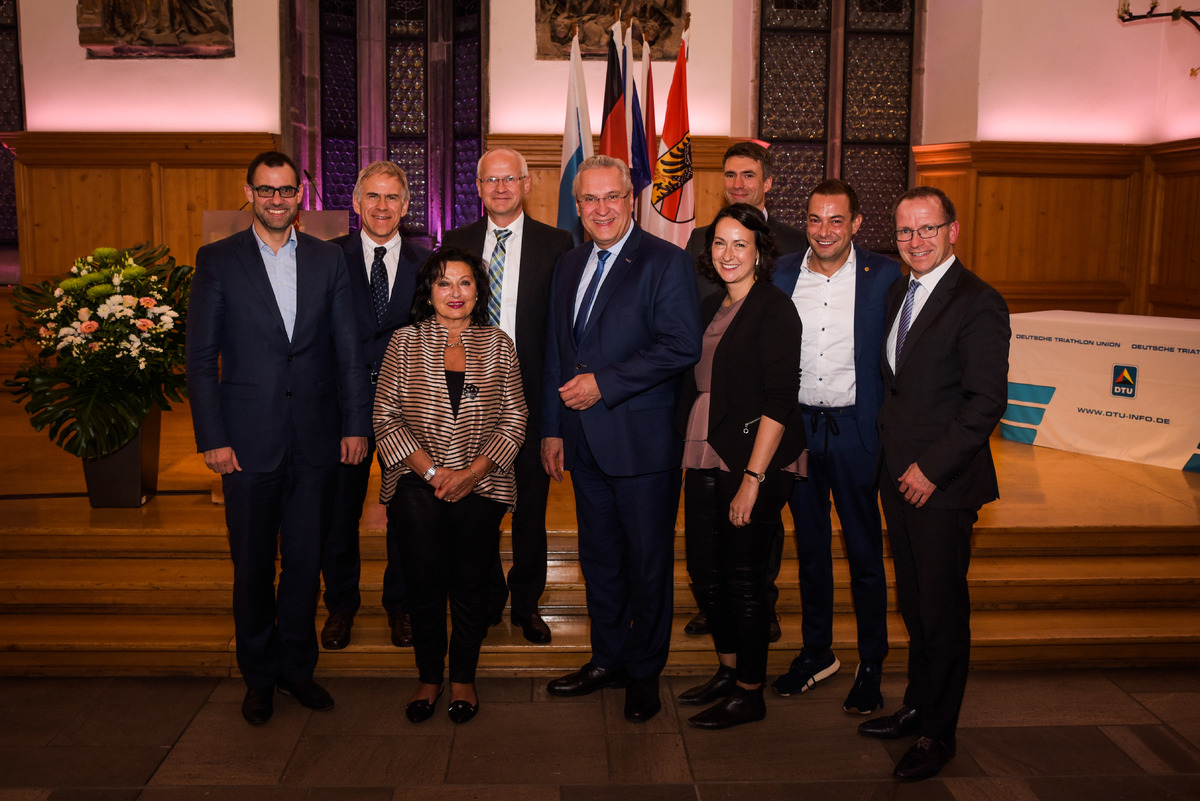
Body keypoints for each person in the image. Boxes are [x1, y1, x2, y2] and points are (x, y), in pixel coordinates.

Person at [186, 150, 370, 725]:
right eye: (265, 190)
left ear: (301, 194)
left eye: (286, 190)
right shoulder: (217, 260)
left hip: (316, 441)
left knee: (305, 562)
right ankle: (258, 676)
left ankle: (297, 670)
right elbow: (199, 359)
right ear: (249, 193)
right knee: (252, 566)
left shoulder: (327, 259)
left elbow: (348, 352)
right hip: (245, 443)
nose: (275, 199)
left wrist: (354, 425)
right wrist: (213, 437)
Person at [542, 155, 702, 723]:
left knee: (647, 564)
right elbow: (559, 353)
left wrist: (604, 385)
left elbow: (681, 345)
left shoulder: (666, 262)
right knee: (601, 561)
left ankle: (643, 671)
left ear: (631, 201)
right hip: (583, 443)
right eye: (590, 200)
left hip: (642, 446)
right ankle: (606, 659)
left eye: (612, 197)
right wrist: (554, 430)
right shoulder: (569, 263)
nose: (601, 209)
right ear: (577, 206)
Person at [858, 187, 1009, 781]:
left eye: (927, 229)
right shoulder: (901, 289)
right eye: (904, 232)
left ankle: (939, 734)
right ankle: (917, 706)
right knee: (916, 606)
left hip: (941, 486)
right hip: (898, 479)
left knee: (943, 612)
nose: (915, 241)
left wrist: (930, 468)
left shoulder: (979, 302)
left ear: (953, 230)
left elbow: (984, 402)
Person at [373, 247, 528, 726]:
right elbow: (385, 415)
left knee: (469, 584)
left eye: (464, 283)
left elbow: (515, 416)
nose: (455, 293)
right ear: (430, 292)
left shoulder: (498, 344)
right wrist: (434, 474)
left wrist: (471, 473)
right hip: (417, 483)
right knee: (423, 584)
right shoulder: (403, 342)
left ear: (478, 290)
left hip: (481, 482)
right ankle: (428, 677)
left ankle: (463, 678)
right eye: (444, 283)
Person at [770, 179, 900, 713]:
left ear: (856, 224)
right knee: (810, 552)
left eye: (836, 220)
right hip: (799, 431)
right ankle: (816, 651)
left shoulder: (886, 276)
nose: (825, 231)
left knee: (865, 554)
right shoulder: (780, 274)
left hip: (857, 433)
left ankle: (872, 663)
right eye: (816, 220)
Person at [674, 203, 805, 729]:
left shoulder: (774, 309)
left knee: (744, 579)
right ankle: (729, 672)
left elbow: (780, 400)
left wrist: (752, 481)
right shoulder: (711, 306)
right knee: (706, 574)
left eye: (740, 245)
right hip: (705, 447)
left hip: (755, 457)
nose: (728, 254)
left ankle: (750, 692)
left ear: (759, 252)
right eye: (720, 243)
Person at [443, 146, 574, 644]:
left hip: (534, 401)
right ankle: (488, 596)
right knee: (476, 512)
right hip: (470, 402)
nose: (500, 188)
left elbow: (562, 334)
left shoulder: (557, 243)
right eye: (490, 181)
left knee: (530, 512)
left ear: (526, 184)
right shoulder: (456, 241)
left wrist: (554, 421)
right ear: (477, 188)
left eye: (510, 179)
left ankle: (526, 603)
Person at [684, 141, 807, 641]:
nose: (739, 183)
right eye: (730, 175)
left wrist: (755, 471)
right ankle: (726, 624)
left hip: (761, 421)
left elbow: (780, 377)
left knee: (751, 552)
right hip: (709, 418)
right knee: (711, 559)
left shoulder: (795, 247)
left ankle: (758, 610)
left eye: (748, 175)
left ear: (767, 181)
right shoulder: (697, 245)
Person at [320, 161, 430, 653]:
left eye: (392, 198)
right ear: (356, 204)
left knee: (407, 513)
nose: (382, 207)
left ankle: (401, 604)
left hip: (407, 411)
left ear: (406, 207)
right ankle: (341, 604)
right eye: (373, 197)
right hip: (341, 406)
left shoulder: (428, 263)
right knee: (338, 512)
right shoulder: (324, 259)